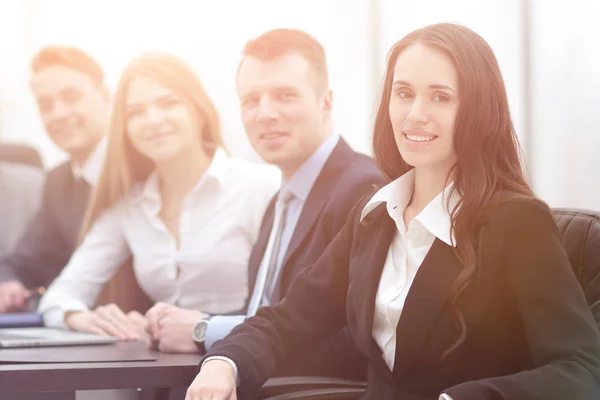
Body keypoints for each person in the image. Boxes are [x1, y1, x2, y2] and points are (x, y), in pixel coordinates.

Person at [186, 23, 600, 400]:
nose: (414, 113)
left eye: (440, 96)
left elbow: (582, 370)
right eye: (403, 93)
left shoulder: (517, 222)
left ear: (477, 108)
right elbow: (289, 319)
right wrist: (226, 362)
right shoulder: (376, 215)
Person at [145, 29, 385, 379]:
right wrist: (178, 321)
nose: (265, 114)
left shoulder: (363, 189)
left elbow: (357, 337)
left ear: (326, 102)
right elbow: (268, 312)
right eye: (251, 100)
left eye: (285, 96)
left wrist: (204, 330)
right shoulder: (280, 202)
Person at [37, 51, 280, 339]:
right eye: (135, 112)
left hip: (247, 369)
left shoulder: (261, 187)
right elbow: (58, 298)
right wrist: (80, 318)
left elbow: (285, 314)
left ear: (199, 111)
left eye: (168, 103)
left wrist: (200, 330)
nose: (152, 120)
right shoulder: (130, 206)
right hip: (164, 374)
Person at [0, 46, 109, 312]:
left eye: (71, 97)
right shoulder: (59, 181)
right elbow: (27, 260)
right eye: (46, 105)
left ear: (105, 96)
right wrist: (8, 282)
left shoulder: (138, 171)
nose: (58, 113)